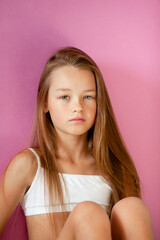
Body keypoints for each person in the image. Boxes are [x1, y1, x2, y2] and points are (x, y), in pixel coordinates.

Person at [0, 47, 154, 240]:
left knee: (133, 208)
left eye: (88, 97)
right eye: (65, 97)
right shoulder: (30, 165)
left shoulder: (113, 168)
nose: (77, 108)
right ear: (45, 103)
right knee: (88, 214)